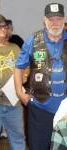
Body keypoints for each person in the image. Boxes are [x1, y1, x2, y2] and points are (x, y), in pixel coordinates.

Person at [14, 2, 67, 150]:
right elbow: (18, 67)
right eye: (51, 19)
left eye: (58, 18)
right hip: (40, 108)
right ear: (45, 20)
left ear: (64, 19)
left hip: (65, 111)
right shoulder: (34, 40)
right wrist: (20, 93)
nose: (55, 23)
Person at [0, 14, 25, 150]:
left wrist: (24, 76)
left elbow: (25, 67)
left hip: (14, 102)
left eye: (6, 26)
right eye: (0, 26)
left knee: (18, 138)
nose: (3, 29)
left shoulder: (15, 48)